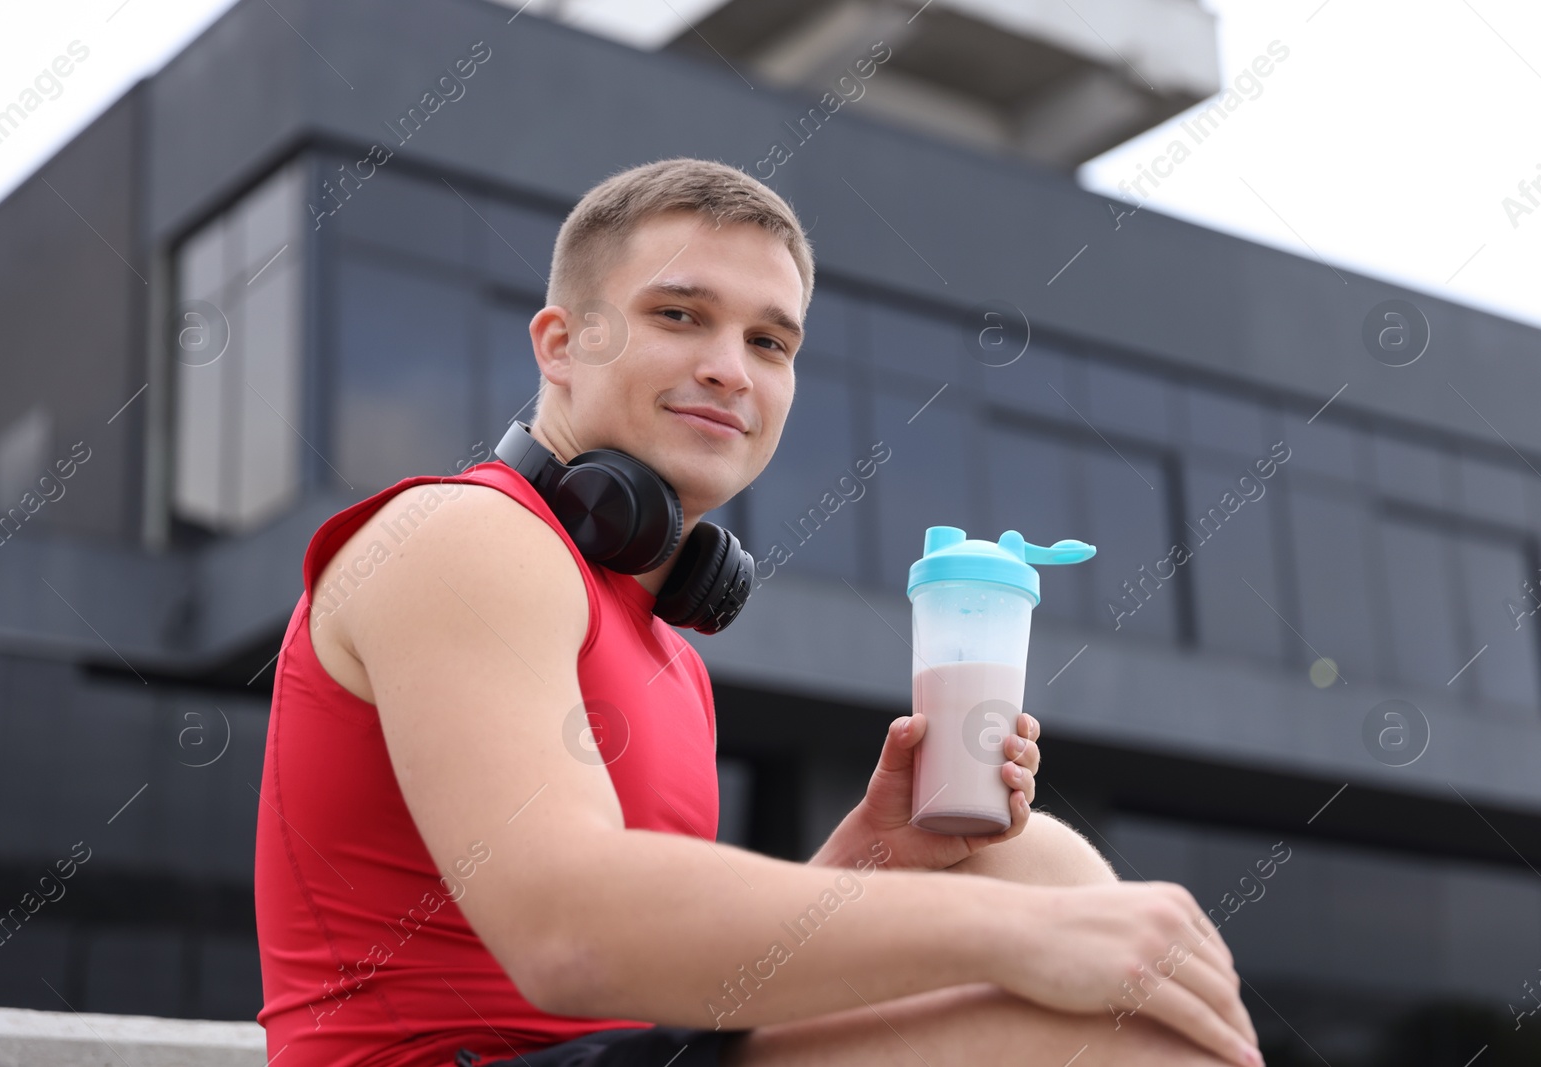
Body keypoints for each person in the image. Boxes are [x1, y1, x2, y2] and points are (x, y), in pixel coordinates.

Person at [254, 157, 1263, 1067]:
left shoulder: (667, 648)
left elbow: (684, 994)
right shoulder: (459, 536)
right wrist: (1015, 938)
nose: (732, 368)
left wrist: (878, 856)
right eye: (681, 316)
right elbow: (568, 934)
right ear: (560, 344)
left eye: (769, 340)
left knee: (1021, 849)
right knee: (1103, 1022)